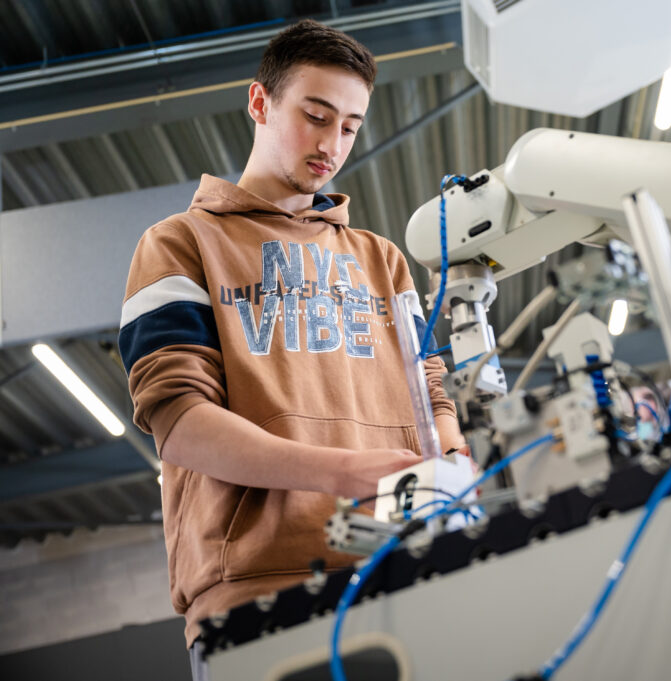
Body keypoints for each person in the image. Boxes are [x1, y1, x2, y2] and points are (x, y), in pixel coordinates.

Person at [117, 19, 464, 673]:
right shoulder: (180, 244)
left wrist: (452, 455)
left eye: (350, 126)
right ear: (259, 103)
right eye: (315, 116)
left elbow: (432, 393)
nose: (332, 143)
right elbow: (180, 424)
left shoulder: (382, 260)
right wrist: (340, 472)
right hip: (258, 599)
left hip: (403, 568)